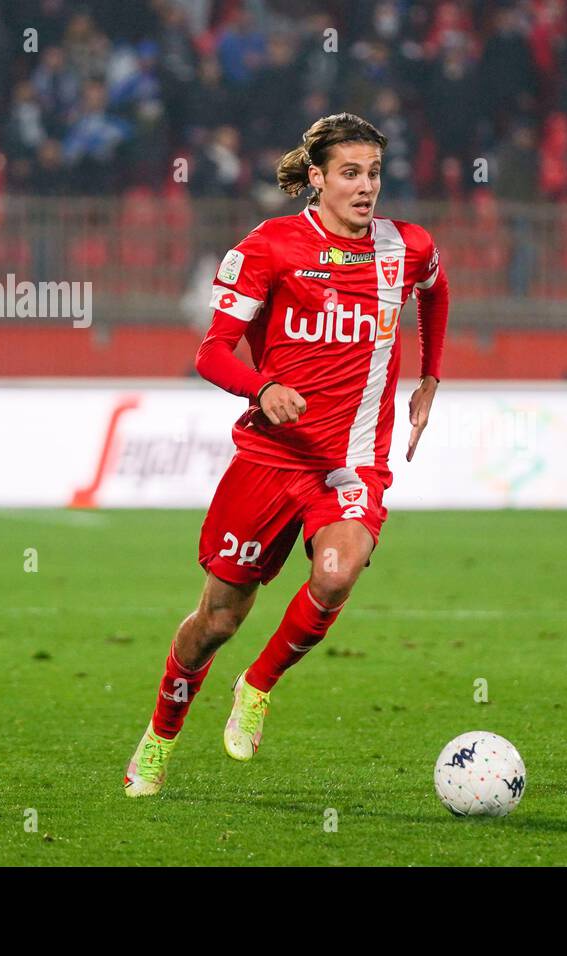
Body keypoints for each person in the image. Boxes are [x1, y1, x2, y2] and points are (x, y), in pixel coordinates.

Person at [124, 113, 450, 797]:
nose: (367, 188)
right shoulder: (270, 247)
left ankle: (258, 685)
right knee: (216, 622)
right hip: (272, 460)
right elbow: (210, 352)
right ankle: (159, 736)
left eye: (375, 173)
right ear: (317, 177)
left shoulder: (406, 247)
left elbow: (435, 291)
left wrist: (430, 376)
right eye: (351, 173)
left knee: (337, 573)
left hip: (351, 462)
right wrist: (262, 385)